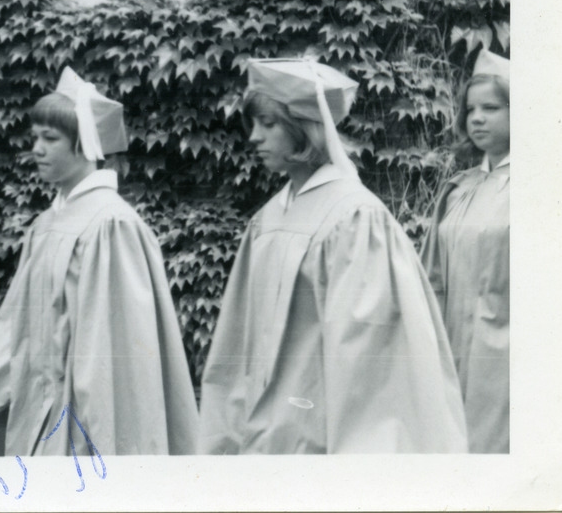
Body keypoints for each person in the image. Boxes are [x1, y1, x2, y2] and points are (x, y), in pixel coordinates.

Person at [198, 57, 467, 454]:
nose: (253, 137)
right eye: (252, 124)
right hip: (261, 438)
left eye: (268, 124)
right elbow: (237, 349)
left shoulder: (356, 219)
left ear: (303, 129)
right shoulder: (268, 219)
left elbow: (369, 363)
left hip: (320, 439)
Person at [0, 67, 199, 456]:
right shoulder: (47, 225)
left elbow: (119, 357)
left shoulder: (112, 225)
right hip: (41, 411)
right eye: (35, 138)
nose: (37, 149)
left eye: (50, 138)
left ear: (85, 146)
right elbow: (15, 326)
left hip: (85, 422)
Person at [419, 49, 509, 453]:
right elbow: (432, 279)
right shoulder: (458, 189)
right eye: (470, 109)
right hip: (453, 347)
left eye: (491, 107)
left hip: (508, 358)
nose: (476, 118)